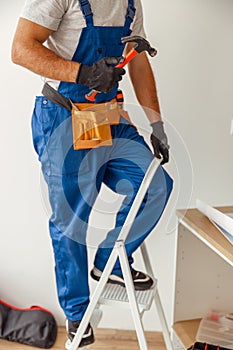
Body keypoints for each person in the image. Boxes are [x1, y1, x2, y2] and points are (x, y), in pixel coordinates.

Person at [12, 0, 173, 348]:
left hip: (108, 118)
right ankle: (78, 313)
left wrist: (156, 123)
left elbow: (139, 62)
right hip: (63, 117)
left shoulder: (131, 3)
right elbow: (21, 48)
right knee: (72, 218)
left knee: (155, 184)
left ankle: (110, 264)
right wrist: (82, 74)